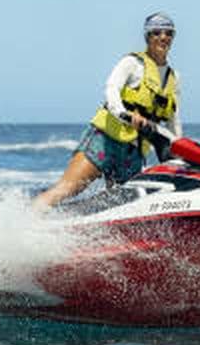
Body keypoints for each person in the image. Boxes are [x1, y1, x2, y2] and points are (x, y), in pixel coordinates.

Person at [34, 12, 182, 209]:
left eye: (168, 33)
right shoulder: (132, 63)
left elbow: (173, 120)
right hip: (106, 140)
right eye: (156, 33)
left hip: (134, 153)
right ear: (148, 37)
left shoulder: (173, 78)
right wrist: (123, 113)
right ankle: (22, 221)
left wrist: (180, 149)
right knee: (67, 189)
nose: (163, 37)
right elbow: (111, 88)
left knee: (121, 207)